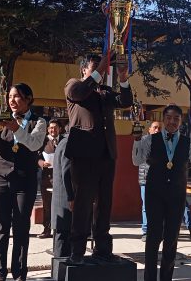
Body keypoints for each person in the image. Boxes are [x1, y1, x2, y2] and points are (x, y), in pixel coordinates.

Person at [133, 105, 191, 281]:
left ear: (181, 121)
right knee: (153, 238)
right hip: (154, 193)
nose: (172, 122)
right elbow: (136, 161)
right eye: (169, 118)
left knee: (171, 238)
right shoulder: (149, 139)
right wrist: (137, 141)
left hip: (177, 195)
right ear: (164, 119)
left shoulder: (189, 143)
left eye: (176, 118)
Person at [0, 83, 47, 281]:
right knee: (0, 225)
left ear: (28, 99)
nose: (12, 101)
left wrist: (16, 128)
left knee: (22, 225)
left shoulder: (39, 122)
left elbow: (34, 144)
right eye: (9, 97)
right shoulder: (0, 121)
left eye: (17, 97)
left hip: (24, 179)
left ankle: (20, 272)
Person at [64, 54, 133, 264]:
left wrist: (123, 78)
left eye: (103, 69)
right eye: (95, 68)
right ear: (84, 69)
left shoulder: (105, 92)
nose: (102, 72)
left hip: (107, 154)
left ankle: (102, 248)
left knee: (104, 204)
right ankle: (77, 251)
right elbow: (80, 93)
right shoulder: (74, 86)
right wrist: (99, 70)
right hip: (84, 155)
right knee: (83, 203)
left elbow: (125, 102)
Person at [132, 120, 163, 242]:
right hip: (145, 178)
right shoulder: (143, 141)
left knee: (160, 207)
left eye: (159, 128)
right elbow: (136, 159)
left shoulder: (165, 143)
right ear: (149, 129)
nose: (157, 130)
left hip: (161, 179)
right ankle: (146, 231)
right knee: (146, 206)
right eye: (155, 127)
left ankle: (159, 230)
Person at [37, 119, 64, 239]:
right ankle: (46, 229)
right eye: (51, 128)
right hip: (47, 178)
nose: (53, 130)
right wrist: (42, 163)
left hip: (61, 179)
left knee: (61, 205)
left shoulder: (64, 141)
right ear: (48, 129)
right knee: (47, 205)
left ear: (60, 129)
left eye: (55, 127)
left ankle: (60, 230)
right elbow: (35, 156)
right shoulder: (43, 141)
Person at [51, 134, 73, 258]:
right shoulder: (67, 144)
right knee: (63, 242)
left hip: (63, 201)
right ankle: (60, 274)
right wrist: (71, 196)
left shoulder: (63, 142)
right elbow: (67, 172)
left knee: (62, 240)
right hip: (65, 201)